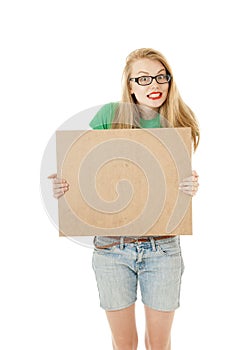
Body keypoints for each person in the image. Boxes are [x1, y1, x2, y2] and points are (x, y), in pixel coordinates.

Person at [48, 48, 200, 350]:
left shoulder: (179, 120)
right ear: (129, 85)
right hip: (111, 247)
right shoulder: (109, 115)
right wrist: (65, 185)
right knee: (124, 343)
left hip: (163, 247)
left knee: (159, 343)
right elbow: (84, 166)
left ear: (169, 80)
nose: (153, 85)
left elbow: (167, 187)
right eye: (142, 79)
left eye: (160, 77)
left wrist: (190, 186)